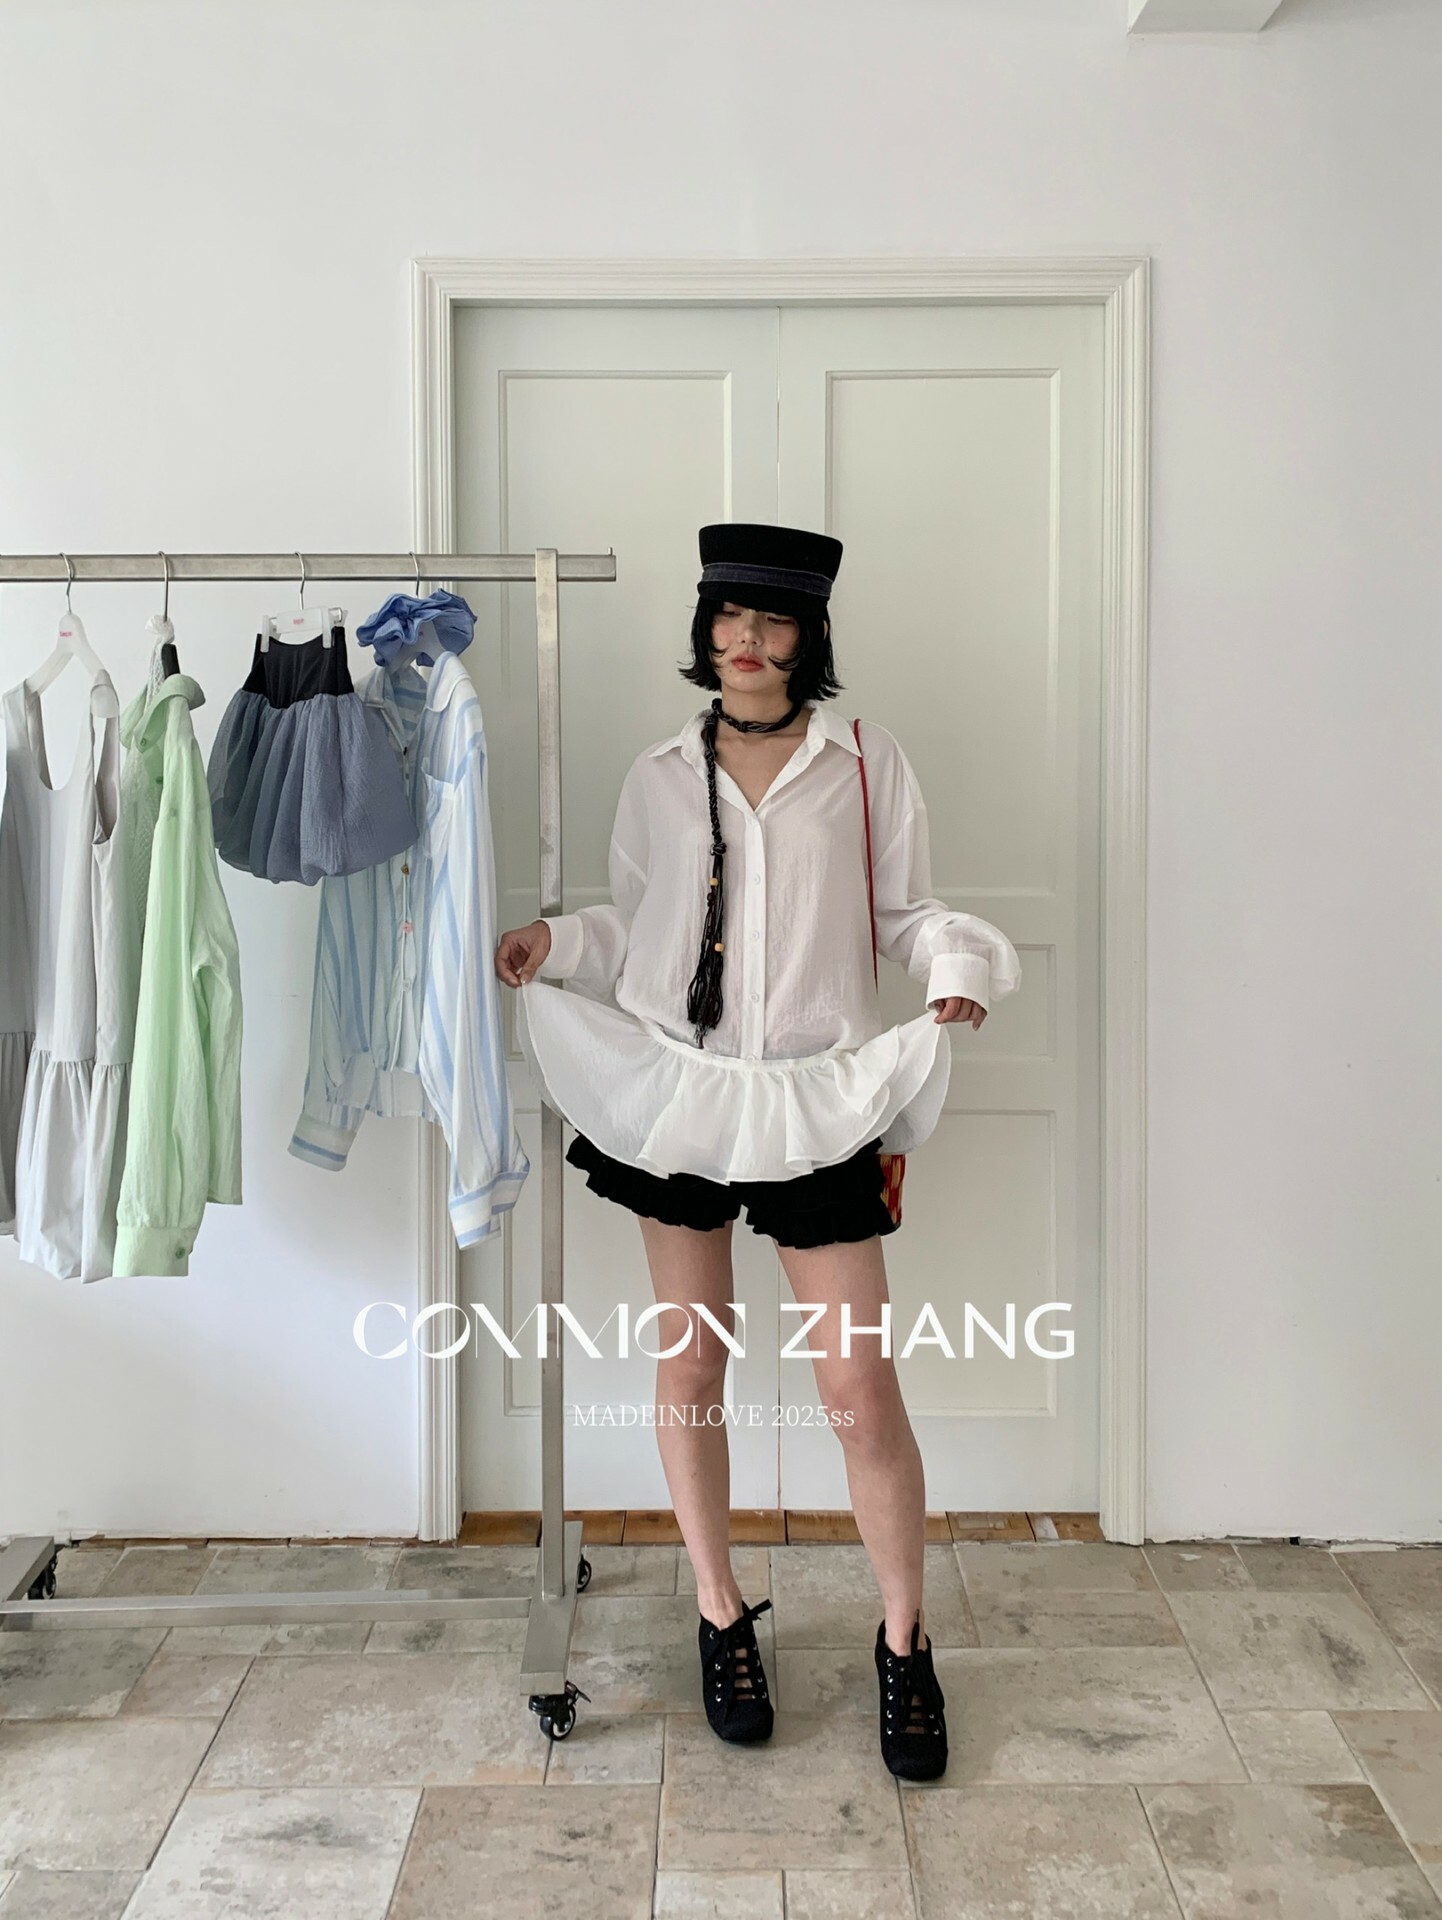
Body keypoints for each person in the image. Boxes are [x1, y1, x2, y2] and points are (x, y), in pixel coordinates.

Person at [494, 522, 1021, 1780]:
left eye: (771, 619)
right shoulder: (657, 773)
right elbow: (641, 927)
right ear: (705, 627)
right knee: (692, 1359)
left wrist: (951, 970)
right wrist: (557, 945)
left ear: (806, 636)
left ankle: (904, 1641)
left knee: (855, 1389)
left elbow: (906, 914)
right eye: (727, 616)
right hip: (682, 1094)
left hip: (814, 1101)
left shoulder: (863, 763)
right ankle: (719, 1611)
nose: (744, 639)